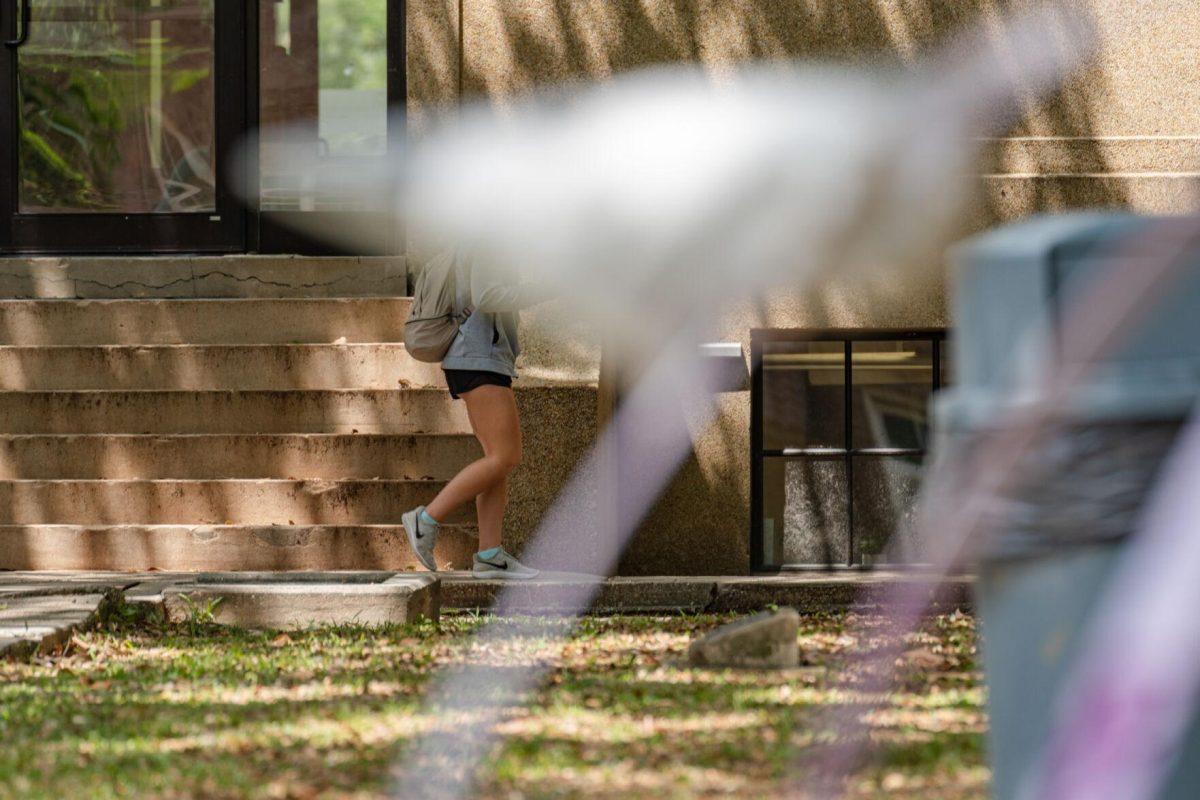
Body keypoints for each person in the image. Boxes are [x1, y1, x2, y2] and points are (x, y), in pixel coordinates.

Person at [402, 249, 552, 579]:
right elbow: (487, 295)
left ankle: (489, 555)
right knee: (506, 456)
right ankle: (425, 521)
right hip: (478, 357)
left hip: (477, 358)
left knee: (496, 461)